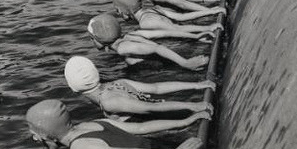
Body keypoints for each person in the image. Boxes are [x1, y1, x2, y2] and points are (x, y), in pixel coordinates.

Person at [26, 98, 212, 149]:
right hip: (161, 147)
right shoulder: (94, 123)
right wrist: (184, 121)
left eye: (36, 133)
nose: (34, 138)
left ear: (47, 134)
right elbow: (141, 128)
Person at [64, 55, 213, 120]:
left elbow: (151, 109)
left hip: (168, 121)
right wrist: (196, 85)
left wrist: (192, 106)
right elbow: (156, 88)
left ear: (73, 89)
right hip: (169, 113)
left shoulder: (108, 102)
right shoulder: (119, 82)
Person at [88, 13, 214, 69]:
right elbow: (165, 33)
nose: (91, 41)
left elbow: (157, 48)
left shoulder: (122, 49)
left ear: (100, 38)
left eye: (92, 38)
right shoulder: (131, 34)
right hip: (176, 53)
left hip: (171, 65)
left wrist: (185, 63)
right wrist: (196, 37)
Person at [114, 0, 222, 36]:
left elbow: (177, 28)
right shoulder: (154, 10)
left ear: (125, 10)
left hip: (180, 45)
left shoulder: (146, 22)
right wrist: (209, 11)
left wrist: (207, 28)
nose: (118, 13)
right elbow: (181, 17)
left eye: (117, 9)